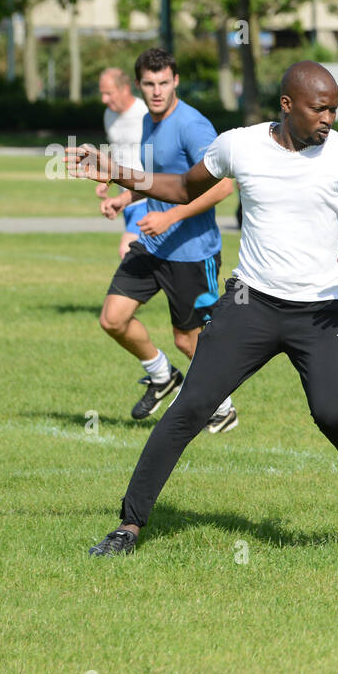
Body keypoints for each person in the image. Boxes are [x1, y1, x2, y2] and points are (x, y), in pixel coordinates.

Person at [68, 62, 338, 556]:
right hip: (252, 303)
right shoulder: (239, 145)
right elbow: (184, 188)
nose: (328, 118)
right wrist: (118, 172)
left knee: (332, 415)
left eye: (333, 108)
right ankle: (129, 526)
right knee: (190, 409)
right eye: (318, 108)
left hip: (321, 312)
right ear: (287, 106)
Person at [97, 48, 238, 433]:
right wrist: (124, 197)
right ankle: (162, 376)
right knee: (113, 318)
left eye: (163, 83)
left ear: (176, 81)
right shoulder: (148, 121)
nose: (156, 91)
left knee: (188, 341)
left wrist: (172, 215)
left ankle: (223, 408)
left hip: (192, 252)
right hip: (154, 244)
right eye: (149, 84)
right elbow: (156, 177)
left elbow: (224, 186)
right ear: (139, 85)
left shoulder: (193, 126)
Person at [96, 68, 149, 259]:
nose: (104, 99)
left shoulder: (145, 113)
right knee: (146, 260)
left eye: (108, 93)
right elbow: (116, 153)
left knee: (127, 249)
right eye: (102, 93)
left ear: (125, 89)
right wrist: (107, 180)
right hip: (126, 201)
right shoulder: (108, 115)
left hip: (147, 196)